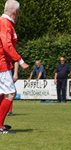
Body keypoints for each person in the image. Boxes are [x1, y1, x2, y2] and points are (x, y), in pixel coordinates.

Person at [0, 0, 29, 134]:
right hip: (2, 64)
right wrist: (20, 60)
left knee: (2, 94)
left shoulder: (6, 23)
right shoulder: (5, 23)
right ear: (15, 12)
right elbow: (7, 45)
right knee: (10, 93)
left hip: (4, 63)